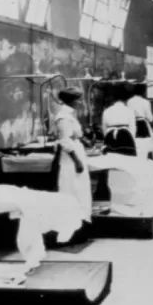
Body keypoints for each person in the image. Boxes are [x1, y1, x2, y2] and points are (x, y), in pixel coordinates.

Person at [54, 87, 92, 241]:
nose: (80, 102)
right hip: (70, 158)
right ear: (70, 100)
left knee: (80, 190)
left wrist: (84, 140)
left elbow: (74, 134)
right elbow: (64, 140)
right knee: (72, 190)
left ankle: (80, 226)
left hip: (76, 151)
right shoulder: (63, 116)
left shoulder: (69, 115)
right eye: (78, 99)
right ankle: (71, 230)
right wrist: (77, 160)